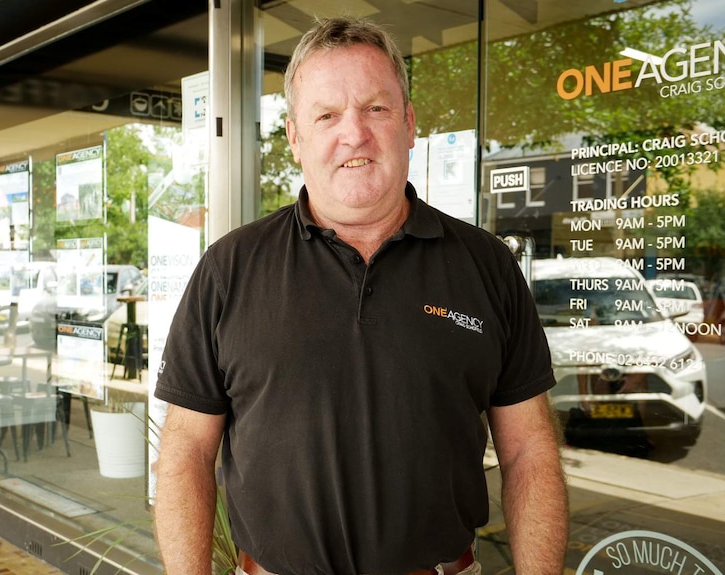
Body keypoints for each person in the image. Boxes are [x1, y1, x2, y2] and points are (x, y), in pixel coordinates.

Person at [154, 15, 568, 575]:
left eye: (375, 108)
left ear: (408, 122)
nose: (354, 133)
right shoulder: (230, 268)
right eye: (326, 115)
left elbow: (528, 451)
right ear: (296, 138)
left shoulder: (485, 264)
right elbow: (186, 452)